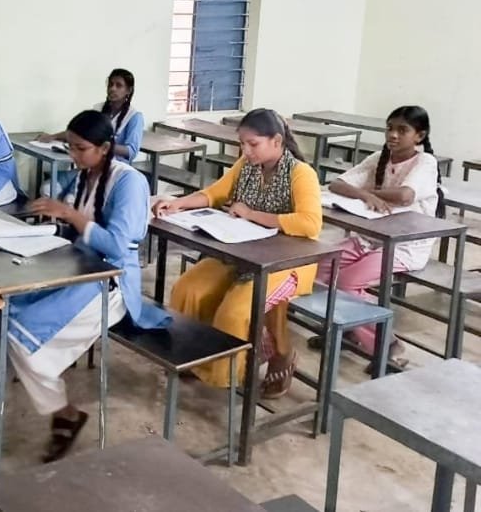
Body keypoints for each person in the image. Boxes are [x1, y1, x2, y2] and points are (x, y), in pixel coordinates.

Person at [10, 110, 170, 463]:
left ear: (105, 147)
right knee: (5, 313)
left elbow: (116, 245)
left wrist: (70, 215)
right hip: (79, 268)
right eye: (70, 147)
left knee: (23, 340)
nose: (73, 155)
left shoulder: (129, 183)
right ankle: (48, 399)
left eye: (80, 149)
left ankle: (65, 413)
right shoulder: (85, 175)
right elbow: (69, 224)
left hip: (111, 281)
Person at [153, 108, 321, 398]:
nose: (246, 150)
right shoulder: (247, 165)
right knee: (188, 289)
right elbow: (215, 193)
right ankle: (194, 358)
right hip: (242, 250)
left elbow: (310, 223)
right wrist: (178, 203)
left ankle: (250, 366)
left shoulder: (300, 173)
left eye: (253, 144)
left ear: (277, 141)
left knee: (236, 311)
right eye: (242, 144)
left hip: (286, 262)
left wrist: (252, 214)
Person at [315, 105, 442, 370]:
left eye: (402, 130)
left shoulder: (425, 163)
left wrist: (369, 192)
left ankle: (387, 344)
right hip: (370, 236)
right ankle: (351, 327)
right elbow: (337, 184)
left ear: (419, 136)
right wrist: (364, 194)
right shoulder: (379, 157)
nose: (393, 135)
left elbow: (405, 196)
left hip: (405, 245)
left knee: (348, 282)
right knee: (320, 269)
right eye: (390, 128)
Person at [37, 69, 144, 194]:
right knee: (47, 189)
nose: (112, 88)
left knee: (72, 197)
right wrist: (52, 136)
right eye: (110, 84)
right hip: (88, 167)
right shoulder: (98, 109)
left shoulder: (134, 117)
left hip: (111, 171)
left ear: (128, 90)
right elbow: (78, 133)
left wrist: (100, 146)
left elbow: (131, 151)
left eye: (118, 85)